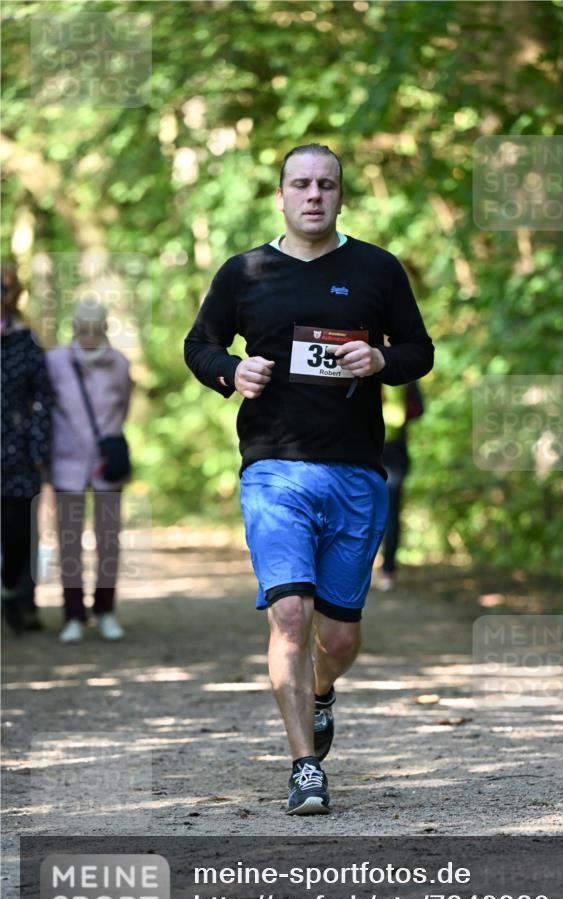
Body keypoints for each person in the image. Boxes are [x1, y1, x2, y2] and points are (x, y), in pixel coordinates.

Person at [185, 142, 433, 815]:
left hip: (355, 470)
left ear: (341, 195)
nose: (314, 195)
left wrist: (379, 359)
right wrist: (229, 372)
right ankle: (303, 768)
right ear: (281, 194)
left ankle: (322, 690)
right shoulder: (246, 272)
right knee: (289, 613)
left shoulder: (377, 269)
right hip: (272, 467)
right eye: (301, 183)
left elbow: (420, 352)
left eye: (326, 184)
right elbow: (198, 344)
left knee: (340, 637)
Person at [46, 298, 132, 642]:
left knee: (109, 540)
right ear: (74, 328)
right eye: (83, 329)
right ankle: (73, 615)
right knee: (69, 541)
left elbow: (124, 405)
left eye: (96, 330)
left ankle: (106, 610)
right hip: (66, 462)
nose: (90, 336)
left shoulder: (120, 364)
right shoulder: (54, 362)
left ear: (106, 329)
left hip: (107, 463)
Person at [1, 261, 52, 634]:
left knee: (20, 531)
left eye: (5, 288)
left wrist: (38, 449)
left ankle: (21, 601)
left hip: (17, 449)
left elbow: (43, 399)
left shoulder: (26, 340)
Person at [375, 381, 425, 592]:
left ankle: (356, 568)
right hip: (397, 449)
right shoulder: (405, 373)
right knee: (392, 511)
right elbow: (418, 409)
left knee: (360, 507)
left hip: (369, 445)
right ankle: (388, 571)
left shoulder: (364, 366)